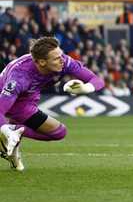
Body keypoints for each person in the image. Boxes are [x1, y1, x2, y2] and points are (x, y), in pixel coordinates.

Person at [0, 37, 105, 171]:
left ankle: (15, 132)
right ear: (42, 62)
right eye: (56, 58)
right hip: (14, 101)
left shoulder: (65, 62)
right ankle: (8, 133)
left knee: (60, 132)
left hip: (30, 96)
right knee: (56, 131)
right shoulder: (20, 76)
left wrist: (85, 88)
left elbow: (96, 79)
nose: (62, 59)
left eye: (61, 54)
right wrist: (4, 130)